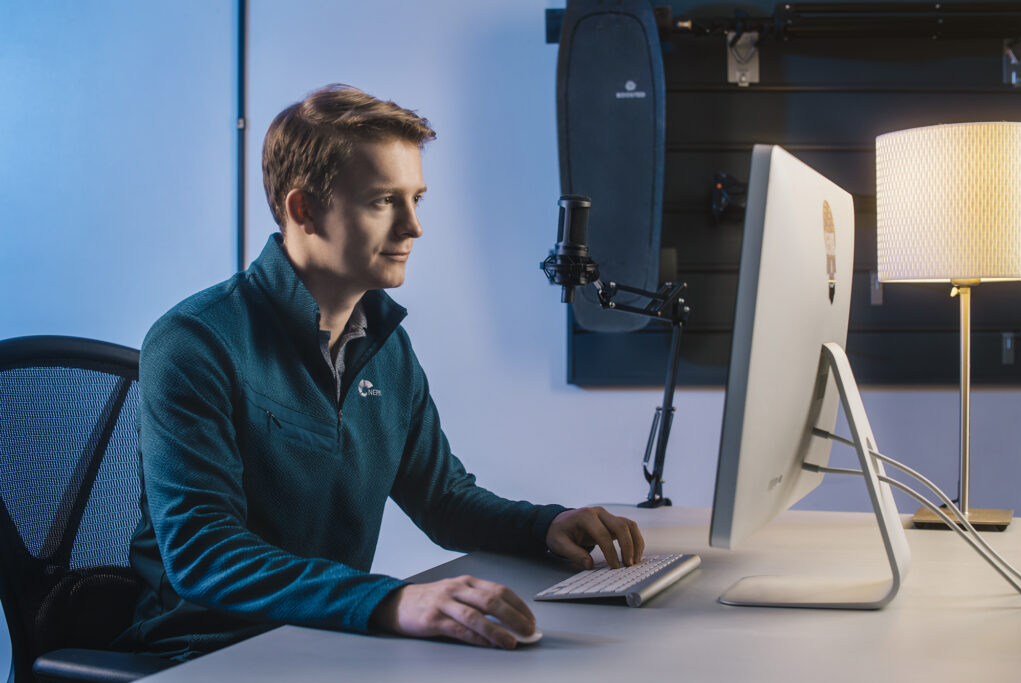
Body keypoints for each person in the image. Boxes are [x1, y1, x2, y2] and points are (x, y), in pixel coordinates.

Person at [117, 84, 645, 660]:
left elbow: (443, 499)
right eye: (382, 201)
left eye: (417, 198)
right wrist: (394, 603)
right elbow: (205, 555)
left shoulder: (385, 347)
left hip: (323, 641)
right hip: (204, 654)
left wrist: (546, 526)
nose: (413, 227)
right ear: (304, 209)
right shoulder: (194, 342)